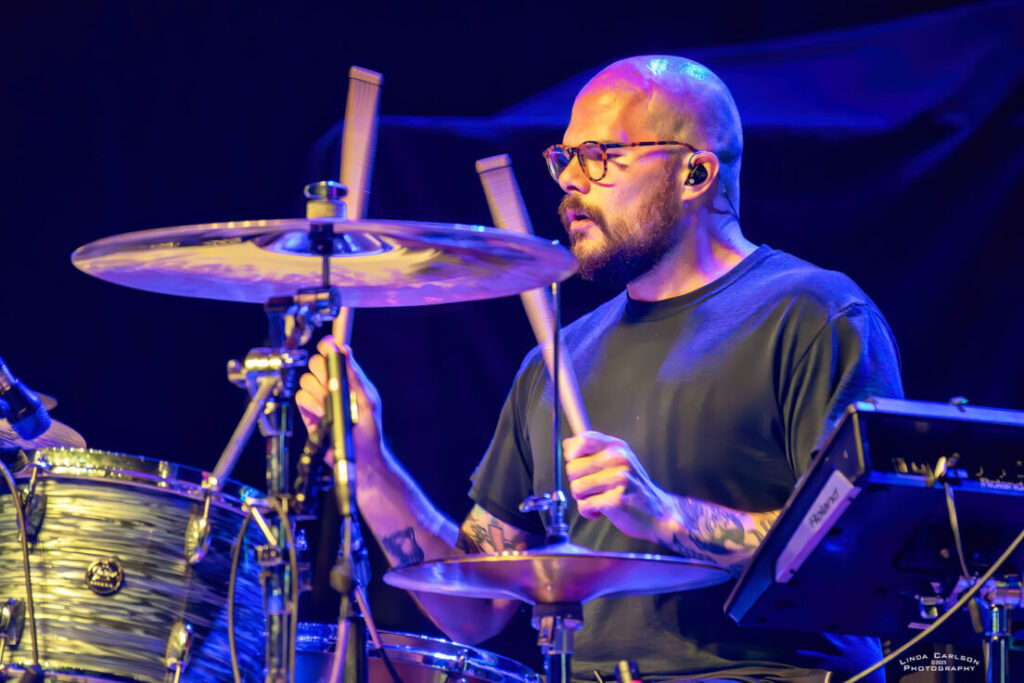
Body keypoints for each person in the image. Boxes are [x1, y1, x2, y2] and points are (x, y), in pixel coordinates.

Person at [297, 55, 903, 683]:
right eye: (565, 158)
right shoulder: (556, 361)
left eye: (598, 156)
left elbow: (857, 552)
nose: (569, 182)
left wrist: (664, 514)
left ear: (695, 173)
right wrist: (370, 466)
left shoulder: (814, 314)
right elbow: (475, 611)